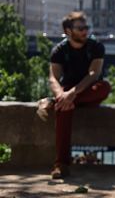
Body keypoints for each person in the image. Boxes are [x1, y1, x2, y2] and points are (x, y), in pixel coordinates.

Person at [36, 11, 111, 179]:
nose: (85, 31)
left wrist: (71, 94)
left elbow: (94, 74)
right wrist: (62, 95)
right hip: (68, 91)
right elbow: (53, 78)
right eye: (80, 28)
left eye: (86, 27)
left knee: (105, 87)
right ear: (68, 31)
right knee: (64, 110)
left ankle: (52, 102)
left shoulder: (96, 46)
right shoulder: (59, 50)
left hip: (89, 91)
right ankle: (61, 165)